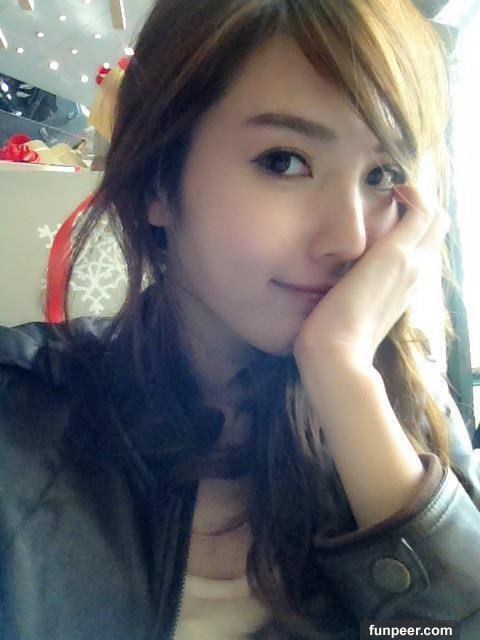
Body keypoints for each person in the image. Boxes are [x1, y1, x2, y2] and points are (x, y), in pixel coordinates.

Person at [1, 1, 479, 639]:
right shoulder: (21, 411)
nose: (349, 240)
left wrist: (343, 378)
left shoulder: (409, 405)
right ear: (157, 184)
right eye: (284, 161)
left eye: (382, 175)